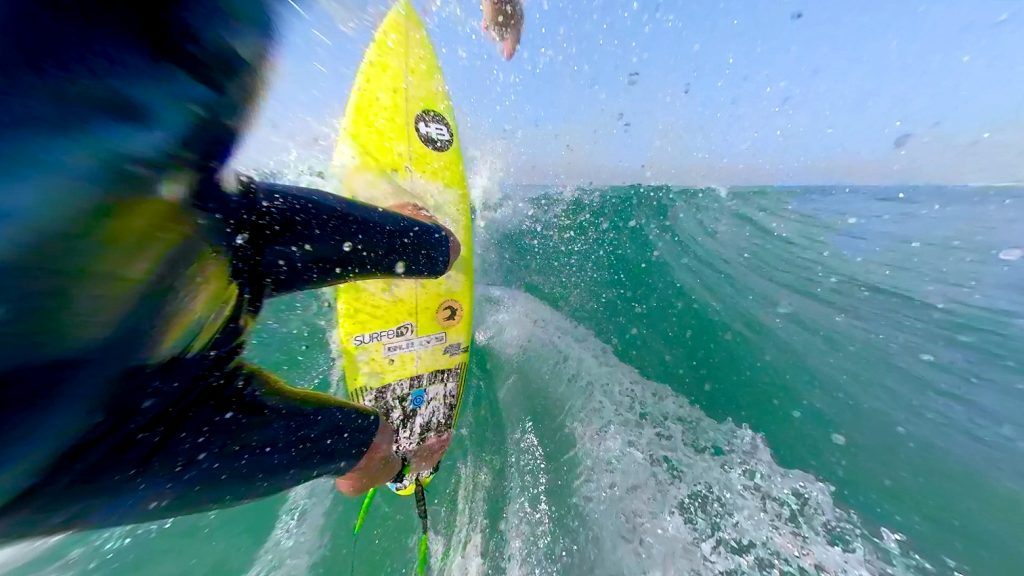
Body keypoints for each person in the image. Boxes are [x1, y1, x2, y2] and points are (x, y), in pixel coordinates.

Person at [0, 0, 457, 541]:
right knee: (373, 447)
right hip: (120, 429)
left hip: (212, 228)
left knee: (437, 247)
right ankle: (390, 464)